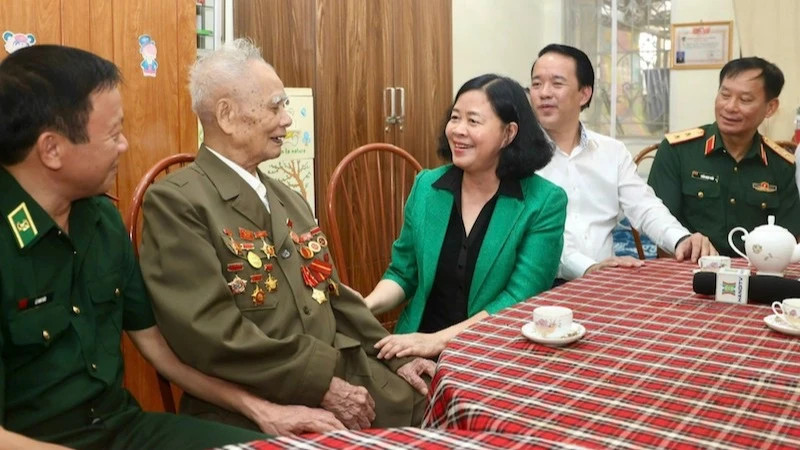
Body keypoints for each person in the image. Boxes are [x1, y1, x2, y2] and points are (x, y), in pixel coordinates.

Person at [0, 45, 290, 449]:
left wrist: (258, 408)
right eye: (114, 134)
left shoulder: (100, 221)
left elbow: (159, 352)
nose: (125, 146)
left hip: (122, 431)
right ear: (52, 149)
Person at [138, 39, 433, 432]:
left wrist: (393, 354)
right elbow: (209, 333)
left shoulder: (287, 197)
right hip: (257, 398)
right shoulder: (178, 203)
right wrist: (321, 383)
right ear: (226, 116)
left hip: (343, 375)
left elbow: (332, 294)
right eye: (276, 106)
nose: (288, 120)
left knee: (442, 402)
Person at [363, 74, 567, 360]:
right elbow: (402, 272)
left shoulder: (544, 202)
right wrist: (366, 304)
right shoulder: (427, 187)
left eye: (473, 121)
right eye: (455, 118)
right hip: (414, 345)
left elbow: (517, 301)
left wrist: (437, 342)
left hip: (492, 351)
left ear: (508, 133)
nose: (458, 130)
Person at [529, 44, 716, 282]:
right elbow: (541, 239)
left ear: (584, 94)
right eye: (536, 84)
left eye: (557, 83)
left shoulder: (611, 151)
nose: (544, 93)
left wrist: (681, 239)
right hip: (541, 284)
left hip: (607, 280)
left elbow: (644, 206)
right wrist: (590, 268)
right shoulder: (518, 156)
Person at [647, 57, 800, 256]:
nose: (730, 107)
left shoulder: (781, 165)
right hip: (688, 272)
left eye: (745, 100)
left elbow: (788, 240)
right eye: (725, 95)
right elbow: (660, 229)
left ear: (770, 107)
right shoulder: (677, 151)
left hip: (755, 275)